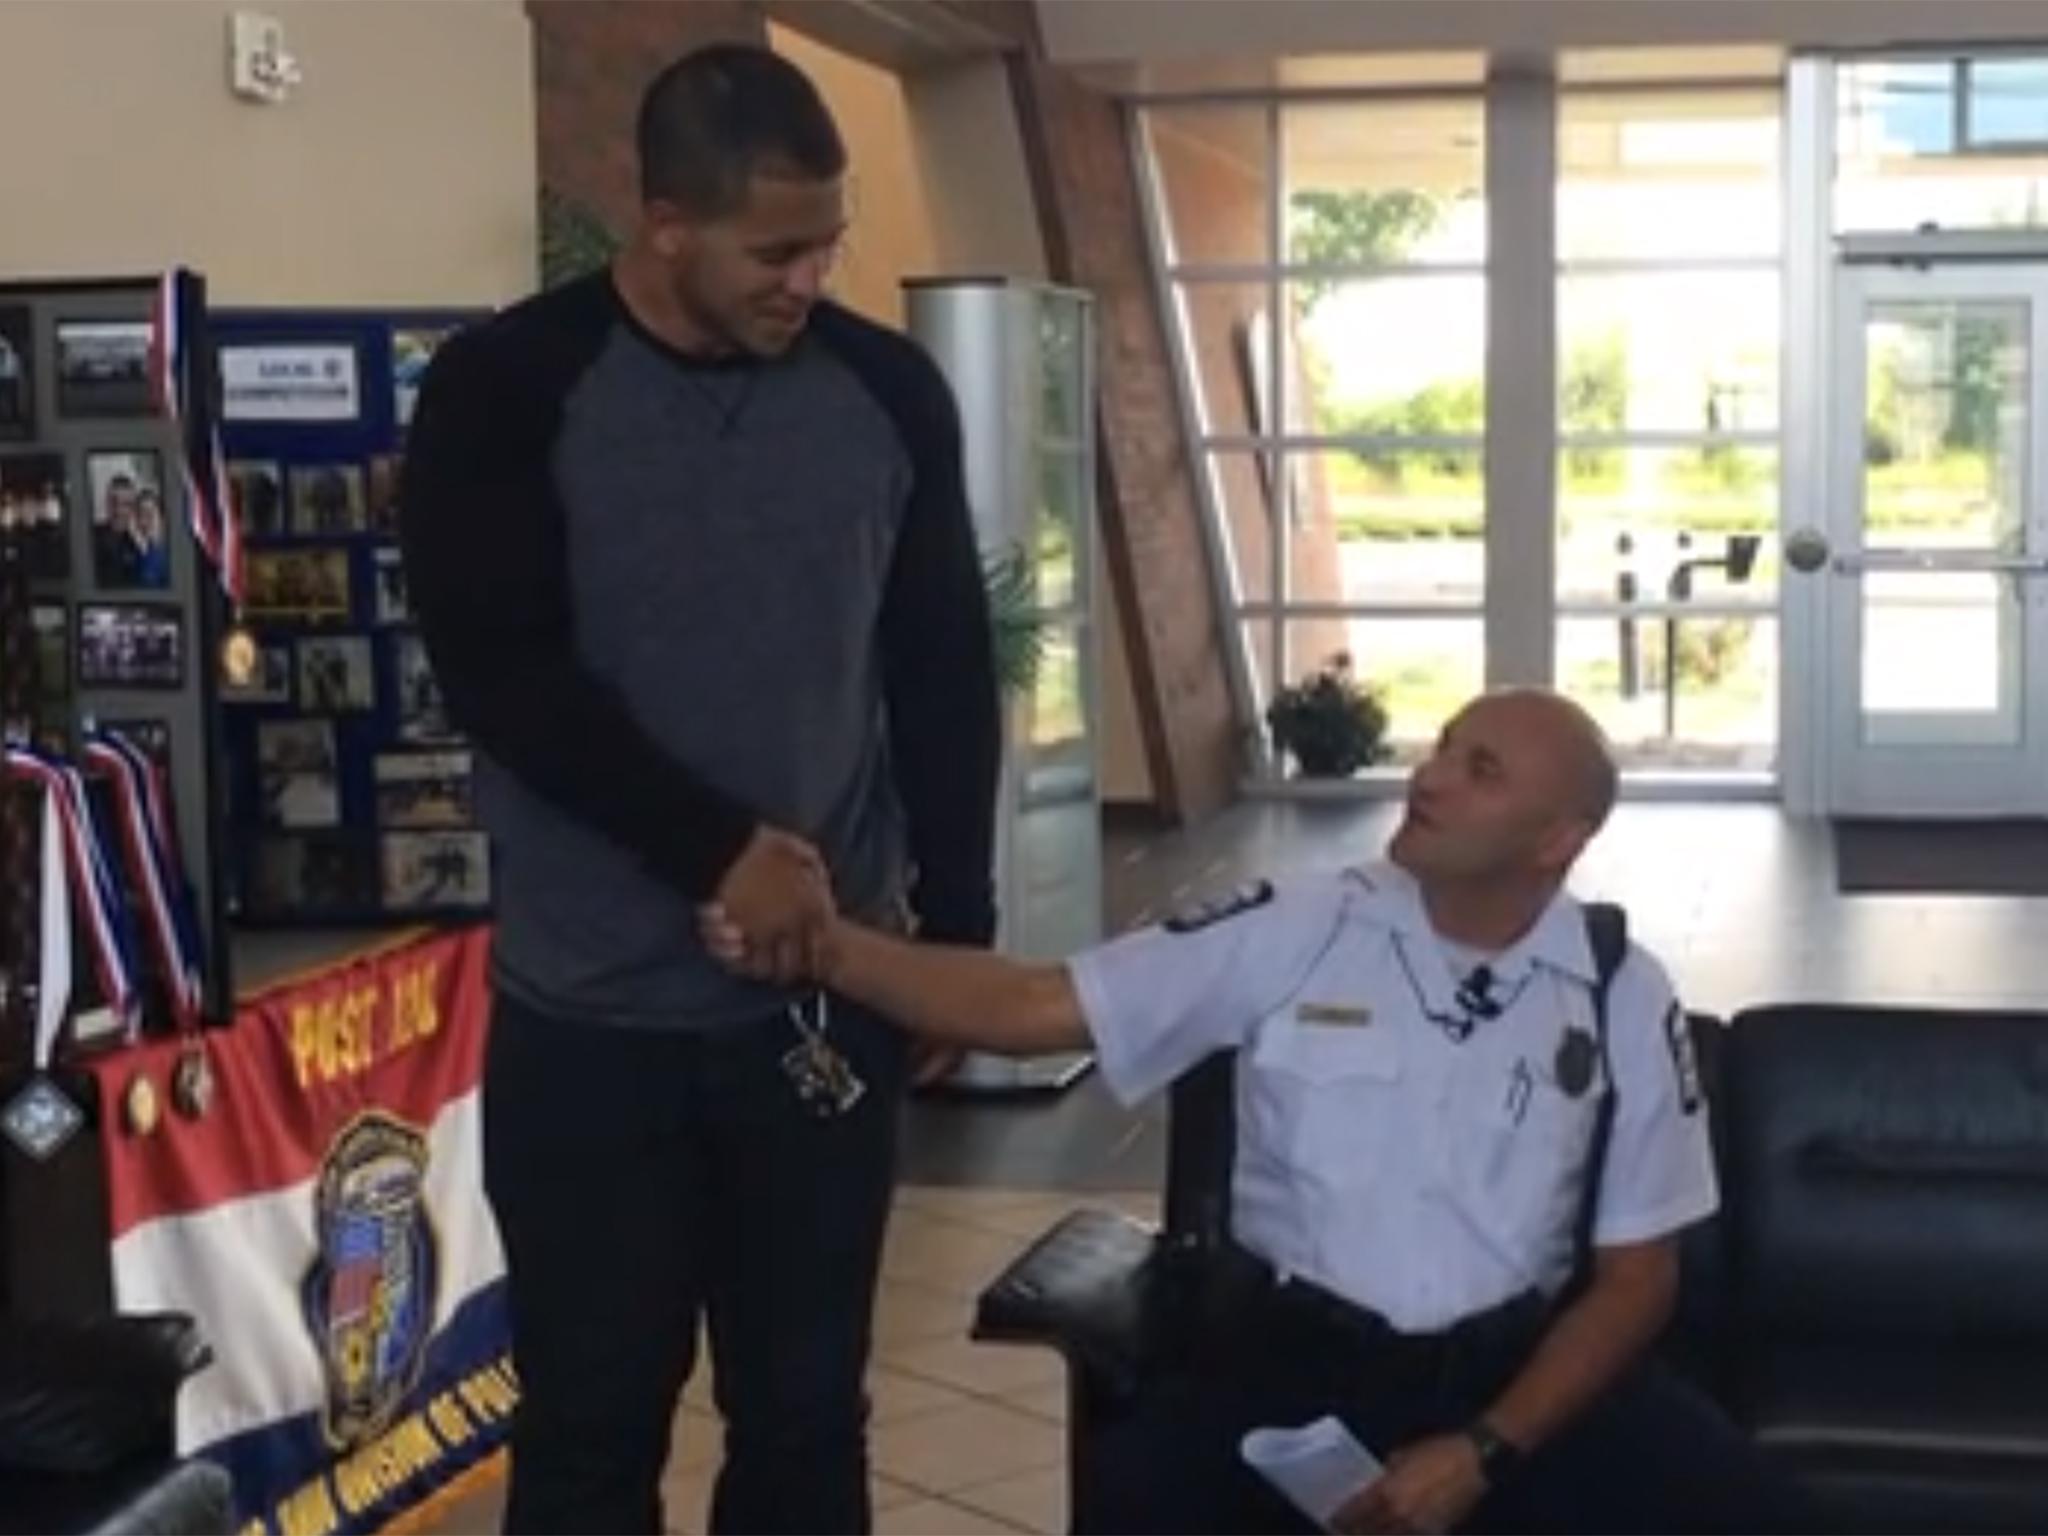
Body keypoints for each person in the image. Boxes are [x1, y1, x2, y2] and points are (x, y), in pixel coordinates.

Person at [705, 689, 1804, 1536]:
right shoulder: (1297, 923)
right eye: (1440, 748)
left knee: (1747, 1514)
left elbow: (1636, 1280)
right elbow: (1033, 1006)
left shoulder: (1619, 989)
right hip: (1291, 1363)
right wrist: (829, 945)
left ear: (1556, 839)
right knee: (1143, 1497)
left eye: (1479, 770)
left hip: (1507, 1381)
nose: (1428, 777)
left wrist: (1481, 1450)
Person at [399, 42, 999, 1536]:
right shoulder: (507, 389)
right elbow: (504, 672)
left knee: (805, 1421)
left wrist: (955, 945)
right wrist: (718, 850)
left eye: (827, 244)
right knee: (596, 1421)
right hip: (593, 1022)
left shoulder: (886, 393)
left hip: (824, 1010)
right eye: (774, 248)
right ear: (662, 220)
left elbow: (938, 663)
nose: (809, 278)